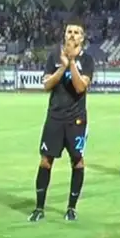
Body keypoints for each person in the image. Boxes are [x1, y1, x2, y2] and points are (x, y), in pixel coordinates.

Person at [30, 20, 95, 223]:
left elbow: (80, 87)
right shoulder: (53, 56)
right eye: (69, 32)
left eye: (76, 32)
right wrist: (62, 67)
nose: (72, 35)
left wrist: (72, 63)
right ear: (64, 35)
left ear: (82, 38)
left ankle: (71, 208)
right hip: (55, 118)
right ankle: (39, 208)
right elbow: (46, 85)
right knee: (45, 161)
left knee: (77, 161)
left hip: (77, 120)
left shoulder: (88, 60)